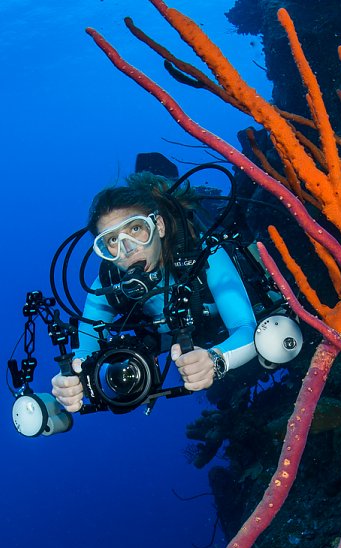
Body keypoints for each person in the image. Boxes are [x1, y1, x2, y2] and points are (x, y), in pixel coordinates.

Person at [51, 172, 258, 414]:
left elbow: (246, 327)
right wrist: (72, 383)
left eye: (136, 228)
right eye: (112, 241)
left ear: (158, 226)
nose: (128, 249)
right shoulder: (106, 284)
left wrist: (216, 359)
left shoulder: (205, 254)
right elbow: (84, 354)